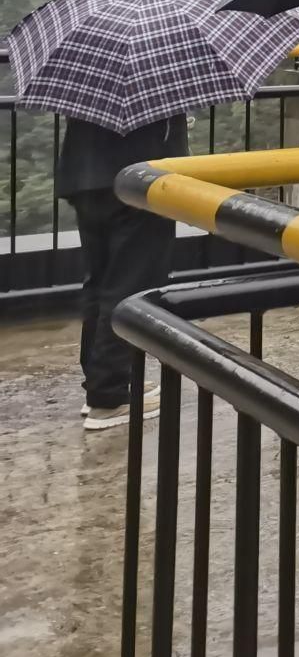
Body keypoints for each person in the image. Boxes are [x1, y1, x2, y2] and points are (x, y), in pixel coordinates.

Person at [58, 113, 187, 430]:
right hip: (138, 180)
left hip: (86, 176)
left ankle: (102, 384)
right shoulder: (155, 72)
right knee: (130, 287)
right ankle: (110, 397)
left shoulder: (88, 66)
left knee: (100, 283)